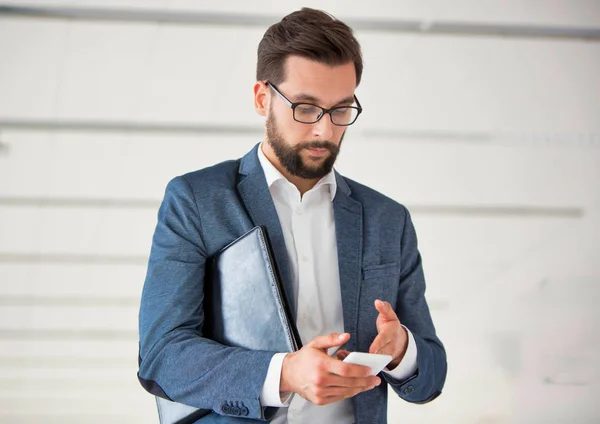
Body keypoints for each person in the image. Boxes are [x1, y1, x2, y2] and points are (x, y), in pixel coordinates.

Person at [138, 7, 446, 423]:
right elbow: (163, 355)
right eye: (305, 107)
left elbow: (431, 376)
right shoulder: (197, 199)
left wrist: (402, 350)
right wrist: (283, 373)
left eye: (340, 110)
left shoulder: (387, 220)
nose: (324, 130)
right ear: (262, 98)